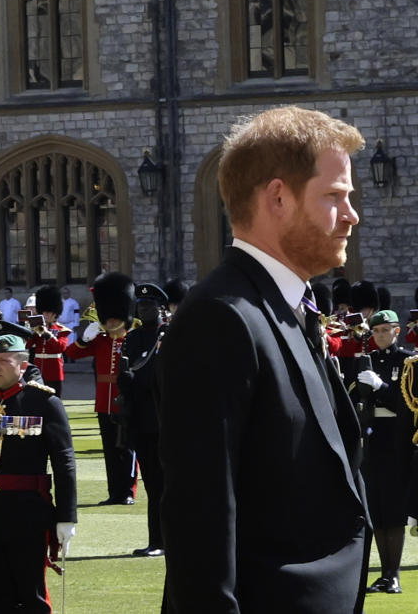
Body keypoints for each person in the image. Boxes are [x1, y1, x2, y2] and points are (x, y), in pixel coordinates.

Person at [157, 106, 370, 612]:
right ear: (279, 196)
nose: (352, 214)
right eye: (334, 196)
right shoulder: (222, 317)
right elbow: (202, 516)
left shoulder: (282, 306)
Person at [0, 334, 77, 613]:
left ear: (22, 366)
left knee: (31, 591)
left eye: (3, 361)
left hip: (28, 512)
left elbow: (64, 461)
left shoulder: (44, 402)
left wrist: (66, 516)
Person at [354, 310, 414, 594]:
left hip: (395, 440)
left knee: (393, 510)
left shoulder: (407, 362)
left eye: (385, 330)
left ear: (396, 331)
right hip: (373, 440)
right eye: (376, 331)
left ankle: (394, 573)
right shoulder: (366, 361)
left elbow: (406, 405)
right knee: (377, 510)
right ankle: (384, 575)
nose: (380, 336)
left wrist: (381, 386)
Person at [65, 272, 138, 505]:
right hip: (103, 402)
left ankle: (128, 491)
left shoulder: (132, 338)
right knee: (109, 450)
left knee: (127, 449)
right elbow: (71, 354)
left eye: (115, 317)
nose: (111, 322)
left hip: (125, 400)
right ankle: (114, 492)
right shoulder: (100, 340)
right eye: (108, 317)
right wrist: (84, 339)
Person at [117, 283, 169, 557]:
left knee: (170, 484)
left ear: (161, 308)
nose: (144, 310)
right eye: (141, 306)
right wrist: (125, 382)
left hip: (168, 421)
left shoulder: (170, 335)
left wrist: (142, 380)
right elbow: (125, 373)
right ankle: (157, 540)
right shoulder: (133, 337)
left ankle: (171, 540)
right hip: (144, 420)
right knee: (152, 483)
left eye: (149, 306)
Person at [30, 284, 72, 397]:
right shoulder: (36, 328)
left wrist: (48, 335)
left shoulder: (62, 330)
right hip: (38, 371)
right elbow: (27, 345)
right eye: (44, 312)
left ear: (55, 313)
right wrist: (30, 332)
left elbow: (60, 347)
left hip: (54, 373)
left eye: (49, 312)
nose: (47, 314)